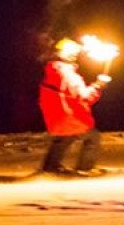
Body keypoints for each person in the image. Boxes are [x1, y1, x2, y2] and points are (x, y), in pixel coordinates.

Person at [37, 38, 108, 175]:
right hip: (70, 115)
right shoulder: (68, 74)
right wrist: (98, 85)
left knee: (62, 139)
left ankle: (49, 168)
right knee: (92, 137)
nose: (75, 55)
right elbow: (85, 97)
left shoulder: (53, 70)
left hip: (56, 115)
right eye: (73, 52)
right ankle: (85, 169)